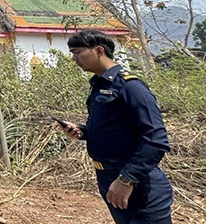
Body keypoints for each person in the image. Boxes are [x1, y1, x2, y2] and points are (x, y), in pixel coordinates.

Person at [59, 30, 173, 224]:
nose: (74, 58)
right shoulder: (99, 85)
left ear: (99, 51)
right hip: (108, 177)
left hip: (137, 183)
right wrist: (83, 131)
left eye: (77, 52)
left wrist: (127, 179)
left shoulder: (130, 87)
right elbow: (115, 129)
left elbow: (156, 140)